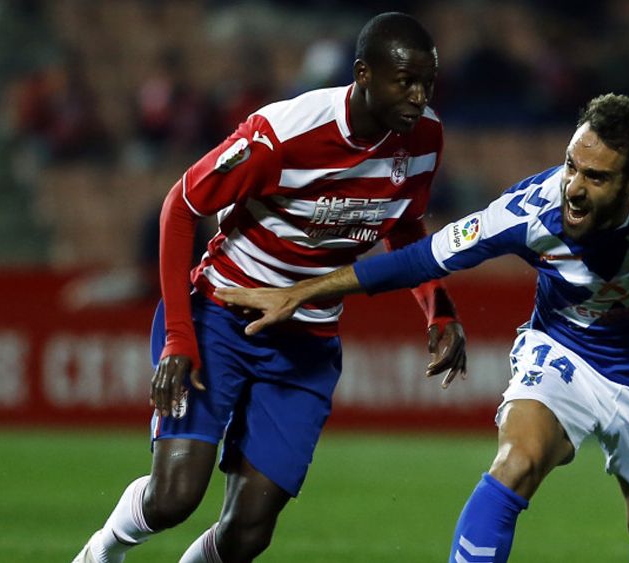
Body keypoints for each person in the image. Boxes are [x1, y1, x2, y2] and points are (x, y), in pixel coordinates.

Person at [216, 93, 629, 563]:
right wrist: (303, 291)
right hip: (565, 353)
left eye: (596, 177)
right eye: (573, 165)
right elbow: (417, 259)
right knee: (517, 460)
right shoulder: (532, 210)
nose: (574, 186)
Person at [74, 12, 467, 563]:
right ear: (363, 74)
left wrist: (437, 309)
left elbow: (403, 225)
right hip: (221, 316)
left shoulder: (424, 136)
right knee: (174, 497)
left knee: (248, 532)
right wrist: (179, 338)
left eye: (427, 82)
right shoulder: (283, 133)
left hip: (306, 341)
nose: (419, 97)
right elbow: (180, 207)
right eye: (406, 82)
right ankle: (101, 552)